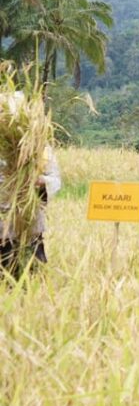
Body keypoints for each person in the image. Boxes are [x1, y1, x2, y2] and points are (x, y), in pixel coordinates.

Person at [0, 92, 60, 277]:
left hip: (31, 225)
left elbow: (55, 181)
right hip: (3, 228)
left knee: (34, 277)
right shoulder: (2, 149)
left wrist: (39, 181)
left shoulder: (40, 149)